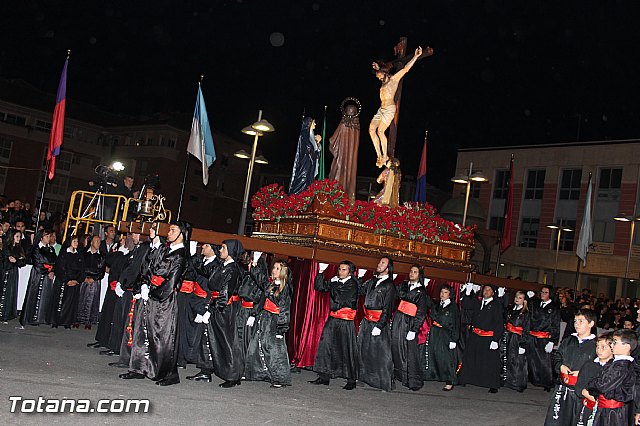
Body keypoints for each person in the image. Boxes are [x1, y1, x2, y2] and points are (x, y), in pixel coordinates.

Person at [120, 222, 188, 386]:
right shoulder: (166, 250)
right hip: (150, 294)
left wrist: (151, 292)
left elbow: (171, 283)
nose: (169, 233)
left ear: (182, 234)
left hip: (163, 300)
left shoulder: (180, 255)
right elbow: (149, 267)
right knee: (142, 332)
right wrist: (143, 284)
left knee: (162, 337)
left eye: (173, 230)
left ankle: (168, 374)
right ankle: (139, 367)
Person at [309, 260, 360, 390]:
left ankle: (351, 379)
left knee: (347, 349)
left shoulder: (352, 284)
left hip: (346, 320)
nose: (340, 272)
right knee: (326, 345)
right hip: (334, 318)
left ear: (350, 272)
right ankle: (324, 376)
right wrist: (321, 272)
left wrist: (333, 283)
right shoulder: (336, 281)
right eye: (340, 269)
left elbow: (339, 299)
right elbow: (319, 287)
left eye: (344, 270)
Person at [369, 46, 422, 168]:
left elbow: (405, 69)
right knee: (372, 130)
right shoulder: (383, 81)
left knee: (380, 131)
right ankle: (379, 155)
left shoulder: (393, 80)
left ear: (384, 72)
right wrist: (377, 67)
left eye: (379, 75)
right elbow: (380, 71)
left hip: (389, 109)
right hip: (381, 109)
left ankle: (384, 156)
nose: (378, 77)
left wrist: (416, 56)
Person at [244, 259, 293, 388]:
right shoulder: (271, 284)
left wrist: (281, 330)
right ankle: (258, 373)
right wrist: (254, 266)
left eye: (277, 268)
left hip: (275, 321)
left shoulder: (285, 288)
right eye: (274, 267)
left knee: (275, 349)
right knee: (258, 344)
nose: (274, 270)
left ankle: (280, 378)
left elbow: (285, 309)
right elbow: (260, 280)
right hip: (265, 318)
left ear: (283, 272)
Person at [543, 309, 597, 425]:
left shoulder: (596, 345)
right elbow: (557, 356)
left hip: (581, 393)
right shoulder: (568, 340)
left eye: (581, 321)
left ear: (591, 324)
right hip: (563, 389)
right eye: (575, 321)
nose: (576, 324)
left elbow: (598, 367)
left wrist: (582, 373)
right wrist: (560, 366)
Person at [205, 239, 245, 388]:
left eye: (223, 248)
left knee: (229, 341)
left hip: (225, 309)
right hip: (219, 306)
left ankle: (233, 375)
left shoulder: (233, 269)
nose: (220, 250)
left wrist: (214, 308)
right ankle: (227, 371)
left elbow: (225, 293)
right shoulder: (223, 266)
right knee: (221, 340)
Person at [357, 256, 397, 392]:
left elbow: (388, 307)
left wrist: (380, 326)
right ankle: (363, 378)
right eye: (380, 262)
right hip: (367, 321)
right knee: (364, 350)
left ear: (388, 268)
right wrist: (360, 278)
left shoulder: (389, 286)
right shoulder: (372, 281)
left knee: (381, 354)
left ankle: (385, 383)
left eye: (383, 263)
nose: (379, 264)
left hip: (378, 322)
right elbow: (360, 291)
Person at [458, 284, 504, 393]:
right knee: (470, 358)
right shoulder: (478, 302)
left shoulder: (496, 305)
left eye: (489, 290)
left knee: (490, 362)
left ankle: (493, 385)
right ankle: (465, 379)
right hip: (475, 335)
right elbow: (465, 305)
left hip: (488, 337)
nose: (486, 291)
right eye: (485, 289)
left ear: (493, 293)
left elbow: (499, 323)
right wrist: (468, 293)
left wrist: (495, 339)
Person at [186, 242, 221, 382]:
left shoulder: (216, 265)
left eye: (206, 246)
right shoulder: (203, 262)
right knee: (193, 332)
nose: (203, 248)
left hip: (205, 301)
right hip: (195, 299)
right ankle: (193, 358)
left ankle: (206, 369)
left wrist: (205, 308)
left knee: (204, 337)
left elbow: (211, 288)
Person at [587, 329, 637, 426]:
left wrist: (594, 384)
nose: (612, 345)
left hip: (612, 412)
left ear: (626, 347)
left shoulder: (622, 366)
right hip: (606, 409)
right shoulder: (614, 363)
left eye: (615, 342)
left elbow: (601, 385)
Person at [391, 264, 428, 391]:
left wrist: (414, 329)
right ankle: (396, 375)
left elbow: (421, 312)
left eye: (415, 272)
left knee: (408, 351)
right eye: (411, 271)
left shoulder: (421, 291)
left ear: (419, 275)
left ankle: (411, 380)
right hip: (398, 319)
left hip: (409, 322)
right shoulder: (403, 285)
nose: (412, 273)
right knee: (396, 347)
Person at [95, 235, 129, 353]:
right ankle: (101, 338)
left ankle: (110, 342)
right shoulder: (119, 251)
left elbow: (119, 264)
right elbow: (108, 260)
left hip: (119, 286)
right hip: (112, 284)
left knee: (114, 315)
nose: (121, 241)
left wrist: (119, 252)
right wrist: (117, 251)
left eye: (124, 239)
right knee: (106, 312)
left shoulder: (127, 253)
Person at [424, 283, 460, 391]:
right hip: (435, 332)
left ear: (450, 295)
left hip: (445, 334)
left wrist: (454, 339)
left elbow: (456, 324)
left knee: (447, 358)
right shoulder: (438, 305)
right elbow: (428, 303)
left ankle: (450, 381)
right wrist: (424, 287)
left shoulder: (453, 307)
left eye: (445, 292)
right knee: (435, 354)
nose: (442, 294)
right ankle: (434, 375)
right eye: (441, 292)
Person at [19, 229, 57, 326]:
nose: (49, 239)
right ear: (41, 237)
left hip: (47, 275)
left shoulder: (51, 249)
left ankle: (42, 317)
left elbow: (55, 262)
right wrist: (48, 269)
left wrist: (52, 270)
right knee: (36, 294)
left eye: (49, 236)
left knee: (46, 295)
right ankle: (32, 317)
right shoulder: (36, 249)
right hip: (38, 275)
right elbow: (38, 263)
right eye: (47, 236)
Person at [528, 285, 561, 391]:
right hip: (533, 336)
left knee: (544, 362)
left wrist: (552, 341)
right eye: (542, 292)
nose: (543, 294)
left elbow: (555, 325)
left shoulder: (554, 308)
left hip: (544, 338)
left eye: (545, 292)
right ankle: (533, 379)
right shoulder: (536, 304)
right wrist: (531, 299)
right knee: (532, 359)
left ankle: (547, 383)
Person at [576, 332, 614, 426]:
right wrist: (585, 393)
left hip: (607, 411)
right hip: (588, 406)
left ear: (613, 348)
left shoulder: (615, 368)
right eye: (597, 346)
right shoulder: (589, 365)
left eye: (603, 347)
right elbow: (579, 386)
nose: (599, 350)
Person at [328, 100, 361, 202]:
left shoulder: (344, 125)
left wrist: (333, 146)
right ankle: (346, 196)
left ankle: (335, 195)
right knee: (347, 172)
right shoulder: (356, 127)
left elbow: (332, 140)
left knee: (338, 172)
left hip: (341, 157)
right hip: (348, 158)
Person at [50, 235, 84, 328]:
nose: (76, 243)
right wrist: (67, 280)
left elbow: (82, 269)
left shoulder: (79, 255)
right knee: (59, 301)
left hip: (74, 282)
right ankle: (56, 321)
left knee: (70, 303)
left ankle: (67, 322)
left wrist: (77, 280)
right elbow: (60, 268)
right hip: (63, 281)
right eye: (74, 241)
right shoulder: (63, 254)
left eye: (77, 242)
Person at [503, 290, 531, 393]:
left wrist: (523, 344)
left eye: (520, 298)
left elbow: (526, 329)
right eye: (516, 297)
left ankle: (517, 383)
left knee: (517, 361)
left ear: (524, 301)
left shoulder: (525, 313)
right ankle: (507, 380)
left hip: (517, 338)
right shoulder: (510, 309)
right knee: (507, 358)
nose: (517, 299)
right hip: (508, 336)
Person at [76, 235, 105, 330]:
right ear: (91, 242)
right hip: (83, 279)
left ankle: (89, 320)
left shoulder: (101, 256)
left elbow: (101, 271)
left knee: (92, 300)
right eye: (96, 241)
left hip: (94, 281)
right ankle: (77, 319)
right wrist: (83, 278)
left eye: (99, 241)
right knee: (80, 299)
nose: (98, 243)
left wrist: (94, 278)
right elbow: (79, 267)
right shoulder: (83, 253)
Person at [289, 117, 322, 195]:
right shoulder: (304, 133)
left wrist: (317, 143)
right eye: (313, 122)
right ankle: (294, 198)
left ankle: (303, 198)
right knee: (302, 180)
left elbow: (315, 150)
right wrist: (317, 142)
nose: (315, 124)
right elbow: (309, 148)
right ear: (309, 123)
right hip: (305, 163)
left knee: (308, 181)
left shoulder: (311, 135)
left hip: (310, 163)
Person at [1, 229, 27, 322]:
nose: (19, 239)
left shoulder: (19, 248)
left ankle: (7, 314)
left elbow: (23, 261)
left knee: (11, 292)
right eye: (17, 236)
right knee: (4, 291)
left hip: (13, 272)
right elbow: (8, 260)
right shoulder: (7, 248)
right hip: (6, 272)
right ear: (12, 237)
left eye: (20, 236)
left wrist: (16, 260)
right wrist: (16, 260)